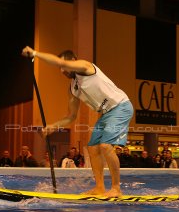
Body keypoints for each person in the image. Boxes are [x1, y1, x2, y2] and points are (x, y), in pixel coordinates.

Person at [22, 46, 133, 197]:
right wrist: (52, 127)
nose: (62, 71)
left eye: (64, 66)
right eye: (61, 68)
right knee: (93, 148)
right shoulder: (73, 88)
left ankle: (116, 189)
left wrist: (35, 53)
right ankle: (99, 188)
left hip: (120, 106)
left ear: (73, 61)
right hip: (106, 113)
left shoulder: (86, 66)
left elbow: (56, 61)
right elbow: (71, 116)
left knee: (106, 146)